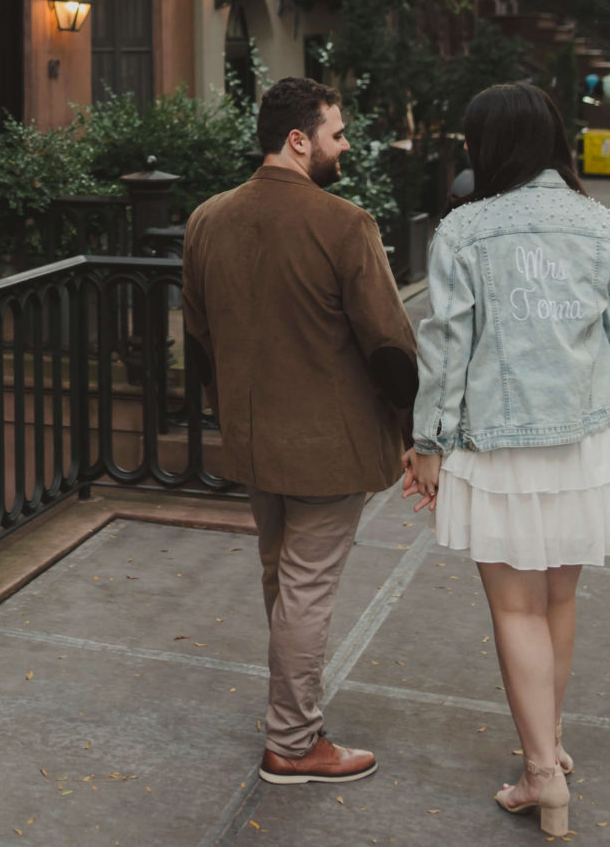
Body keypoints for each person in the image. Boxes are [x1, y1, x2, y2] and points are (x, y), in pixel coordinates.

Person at [405, 83, 610, 839]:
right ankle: (552, 743)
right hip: (582, 441)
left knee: (515, 607)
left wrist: (428, 442)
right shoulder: (601, 223)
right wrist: (599, 407)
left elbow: (446, 347)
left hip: (499, 442)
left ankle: (541, 772)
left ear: (487, 145)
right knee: (558, 601)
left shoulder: (465, 230)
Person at [184, 77, 420, 787]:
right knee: (307, 587)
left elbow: (197, 341)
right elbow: (390, 348)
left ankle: (297, 710)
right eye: (337, 134)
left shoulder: (206, 219)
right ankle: (292, 739)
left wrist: (227, 413)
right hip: (328, 448)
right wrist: (412, 432)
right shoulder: (345, 223)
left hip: (254, 440)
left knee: (281, 578)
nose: (345, 146)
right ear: (299, 139)